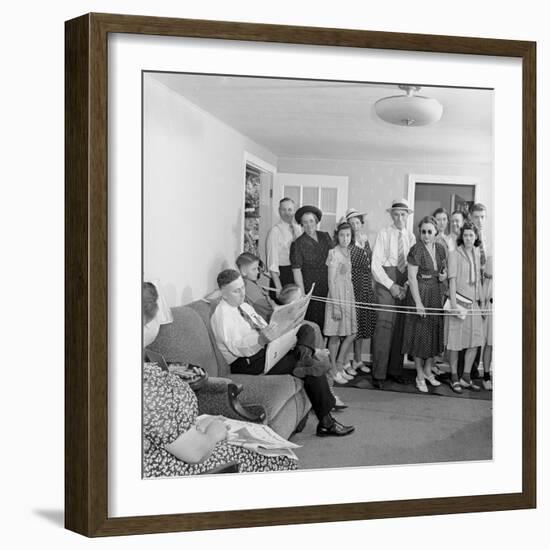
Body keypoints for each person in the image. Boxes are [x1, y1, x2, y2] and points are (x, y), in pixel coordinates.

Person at [210, 269, 354, 437]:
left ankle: (305, 356)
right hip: (249, 362)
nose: (242, 293)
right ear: (223, 293)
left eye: (242, 287)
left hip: (266, 350)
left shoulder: (244, 306)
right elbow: (237, 347)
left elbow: (263, 326)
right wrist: (261, 340)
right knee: (312, 366)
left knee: (306, 329)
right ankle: (326, 421)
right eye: (236, 291)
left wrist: (280, 328)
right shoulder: (222, 316)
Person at [370, 198, 416, 389]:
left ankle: (395, 370)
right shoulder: (384, 233)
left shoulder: (411, 237)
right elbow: (375, 265)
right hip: (385, 282)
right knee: (384, 326)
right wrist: (391, 286)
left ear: (407, 216)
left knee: (400, 328)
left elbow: (413, 266)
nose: (399, 218)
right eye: (396, 214)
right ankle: (379, 374)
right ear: (391, 215)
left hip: (403, 281)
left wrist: (404, 285)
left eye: (402, 214)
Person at [401, 216, 447, 393]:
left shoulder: (441, 249)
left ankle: (428, 371)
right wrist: (418, 303)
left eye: (429, 231)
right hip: (420, 293)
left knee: (433, 334)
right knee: (420, 336)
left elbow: (442, 271)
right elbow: (411, 278)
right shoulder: (416, 250)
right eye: (423, 232)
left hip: (435, 293)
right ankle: (419, 374)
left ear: (435, 232)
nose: (426, 235)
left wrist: (442, 276)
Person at [445, 222, 485, 393]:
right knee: (455, 343)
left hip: (474, 304)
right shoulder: (455, 254)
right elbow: (451, 280)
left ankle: (466, 377)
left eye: (471, 235)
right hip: (459, 304)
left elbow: (479, 282)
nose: (468, 238)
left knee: (475, 341)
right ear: (462, 236)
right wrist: (453, 305)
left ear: (475, 237)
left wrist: (482, 302)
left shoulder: (477, 254)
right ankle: (454, 377)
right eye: (466, 235)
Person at [290, 205, 333, 333]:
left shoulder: (325, 236)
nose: (309, 225)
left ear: (316, 221)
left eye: (311, 221)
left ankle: (325, 351)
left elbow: (334, 258)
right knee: (313, 323)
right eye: (305, 222)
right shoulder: (297, 244)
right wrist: (303, 294)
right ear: (301, 224)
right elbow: (296, 270)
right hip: (311, 286)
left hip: (328, 284)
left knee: (328, 322)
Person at [324, 221, 357, 384]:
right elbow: (331, 281)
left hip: (348, 296)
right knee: (335, 335)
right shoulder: (333, 253)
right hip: (336, 297)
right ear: (337, 236)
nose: (345, 238)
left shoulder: (349, 252)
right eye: (342, 235)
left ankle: (339, 364)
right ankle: (332, 370)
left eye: (348, 235)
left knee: (351, 333)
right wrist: (336, 306)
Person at [345, 207, 376, 375]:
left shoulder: (365, 240)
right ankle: (344, 361)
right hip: (353, 285)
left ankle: (358, 360)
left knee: (362, 324)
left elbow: (371, 262)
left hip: (365, 284)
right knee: (351, 326)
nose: (355, 225)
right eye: (352, 223)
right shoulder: (347, 242)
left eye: (358, 222)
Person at [469, 202, 492, 388]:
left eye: (483, 217)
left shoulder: (488, 239)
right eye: (476, 217)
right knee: (471, 334)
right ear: (471, 217)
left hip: (488, 292)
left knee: (485, 337)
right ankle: (466, 372)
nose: (480, 220)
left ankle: (477, 371)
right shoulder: (468, 238)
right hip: (472, 292)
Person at [265, 197, 303, 299]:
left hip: (296, 274)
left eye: (290, 209)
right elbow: (272, 262)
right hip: (281, 276)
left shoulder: (298, 229)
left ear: (294, 211)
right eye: (283, 209)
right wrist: (279, 289)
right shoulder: (274, 232)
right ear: (279, 211)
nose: (287, 213)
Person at [236, 252, 274, 322]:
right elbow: (265, 309)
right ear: (243, 271)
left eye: (257, 268)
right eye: (254, 269)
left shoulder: (251, 282)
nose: (258, 272)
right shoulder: (248, 286)